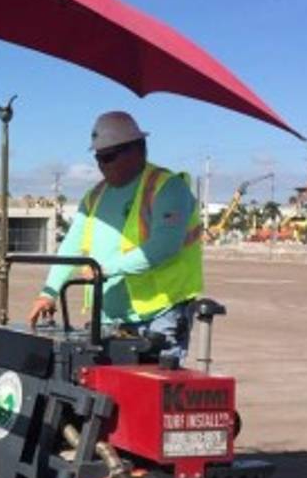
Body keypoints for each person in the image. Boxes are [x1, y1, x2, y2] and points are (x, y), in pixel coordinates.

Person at [27, 111, 203, 363]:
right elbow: (72, 246)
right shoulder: (95, 196)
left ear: (138, 150)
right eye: (98, 158)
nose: (102, 165)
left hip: (158, 315)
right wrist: (49, 292)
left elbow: (164, 245)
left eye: (108, 157)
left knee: (151, 393)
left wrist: (104, 270)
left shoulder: (167, 187)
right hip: (108, 319)